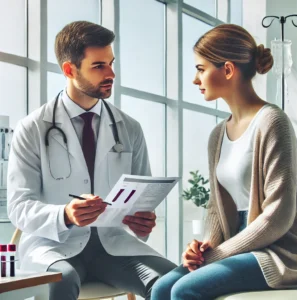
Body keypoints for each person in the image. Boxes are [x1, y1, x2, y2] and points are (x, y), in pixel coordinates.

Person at [7, 21, 176, 300]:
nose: (111, 73)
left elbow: (141, 198)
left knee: (175, 285)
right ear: (69, 70)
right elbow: (19, 206)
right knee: (61, 281)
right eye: (98, 66)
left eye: (111, 63)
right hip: (53, 245)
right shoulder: (33, 128)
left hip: (114, 246)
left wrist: (141, 221)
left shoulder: (129, 128)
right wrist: (65, 214)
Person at [151, 23, 297, 300]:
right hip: (236, 243)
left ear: (228, 70)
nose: (196, 80)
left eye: (200, 69)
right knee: (161, 288)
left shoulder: (272, 122)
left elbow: (278, 217)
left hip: (279, 249)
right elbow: (217, 208)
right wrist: (206, 246)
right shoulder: (218, 135)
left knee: (186, 289)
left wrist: (218, 254)